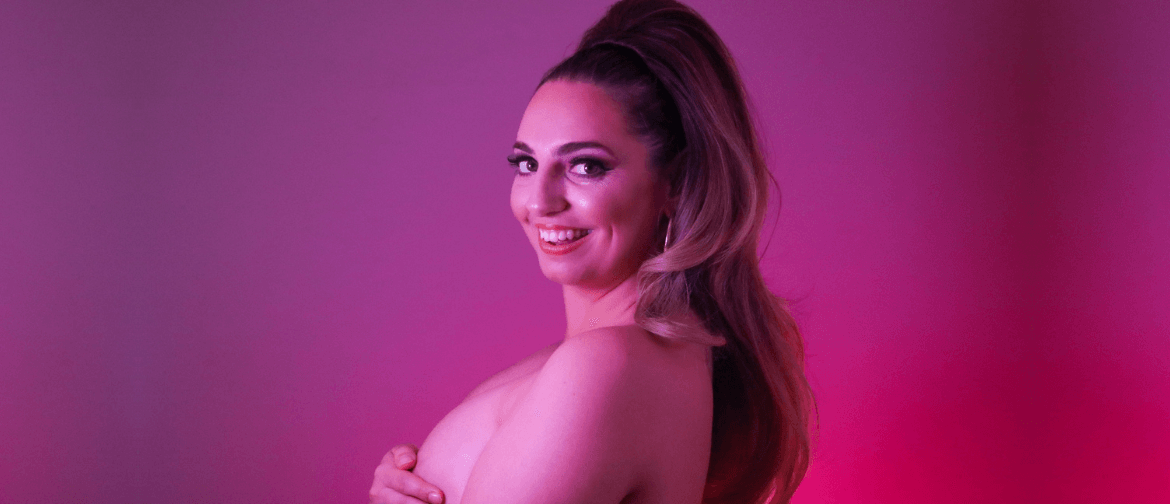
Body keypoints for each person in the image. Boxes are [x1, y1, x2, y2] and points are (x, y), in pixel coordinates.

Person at [369, 0, 813, 502]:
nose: (539, 202)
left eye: (586, 166)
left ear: (677, 183)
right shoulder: (622, 359)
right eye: (526, 164)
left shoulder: (607, 366)